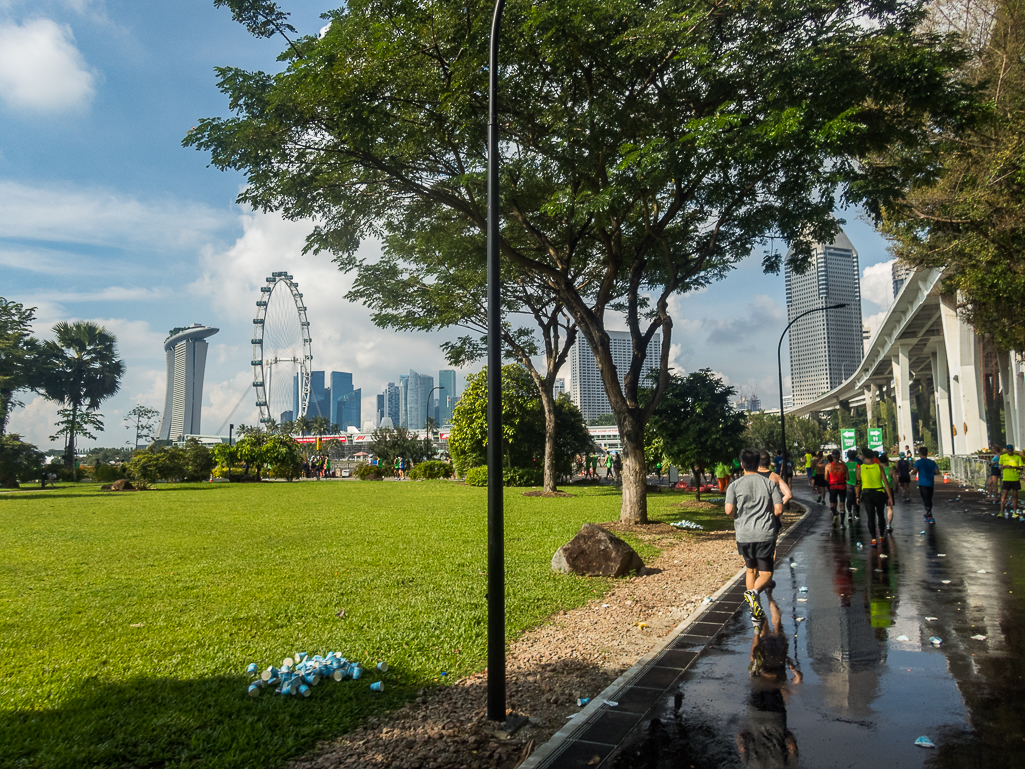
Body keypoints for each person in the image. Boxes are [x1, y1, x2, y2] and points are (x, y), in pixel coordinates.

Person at [726, 449, 784, 626]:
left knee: (750, 570)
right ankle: (754, 594)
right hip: (764, 533)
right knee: (766, 574)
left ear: (742, 464)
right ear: (758, 463)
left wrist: (739, 516)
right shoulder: (768, 483)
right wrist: (768, 515)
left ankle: (755, 609)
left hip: (744, 534)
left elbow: (728, 510)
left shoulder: (734, 485)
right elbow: (779, 509)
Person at [855, 448, 894, 546]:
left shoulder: (860, 469)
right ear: (873, 457)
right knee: (880, 515)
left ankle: (873, 539)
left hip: (867, 494)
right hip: (879, 493)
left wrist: (857, 497)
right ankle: (881, 537)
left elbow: (858, 484)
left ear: (863, 456)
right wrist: (890, 497)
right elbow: (886, 484)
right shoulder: (879, 467)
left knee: (870, 517)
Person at [912, 446, 938, 524]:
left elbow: (914, 472)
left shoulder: (918, 462)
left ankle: (929, 515)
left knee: (925, 499)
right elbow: (937, 472)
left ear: (920, 453)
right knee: (929, 498)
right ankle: (928, 513)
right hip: (930, 483)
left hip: (922, 483)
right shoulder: (932, 462)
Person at [998, 444, 1023, 518]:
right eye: (1008, 450)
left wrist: (1016, 467)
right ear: (1006, 450)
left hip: (1015, 478)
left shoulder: (1017, 457)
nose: (1009, 452)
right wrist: (1005, 466)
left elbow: (1021, 467)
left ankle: (1014, 512)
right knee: (1004, 495)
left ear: (1013, 450)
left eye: (1011, 450)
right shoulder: (1003, 457)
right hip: (1006, 479)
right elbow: (999, 467)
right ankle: (1001, 511)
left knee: (1015, 496)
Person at [824, 450, 848, 527]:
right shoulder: (844, 466)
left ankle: (835, 515)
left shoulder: (828, 466)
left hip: (833, 486)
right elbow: (847, 478)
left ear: (832, 456)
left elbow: (826, 478)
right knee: (842, 504)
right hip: (842, 486)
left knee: (832, 504)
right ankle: (842, 524)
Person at [879, 453, 896, 533]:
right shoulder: (890, 470)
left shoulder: (877, 469)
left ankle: (881, 523)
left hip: (879, 489)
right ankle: (889, 524)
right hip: (889, 489)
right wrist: (897, 488)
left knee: (880, 508)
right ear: (887, 461)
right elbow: (896, 480)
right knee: (889, 507)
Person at [844, 449, 860, 525]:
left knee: (849, 500)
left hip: (848, 484)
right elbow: (859, 475)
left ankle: (849, 514)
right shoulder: (857, 465)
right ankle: (857, 513)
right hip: (856, 484)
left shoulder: (845, 465)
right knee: (857, 498)